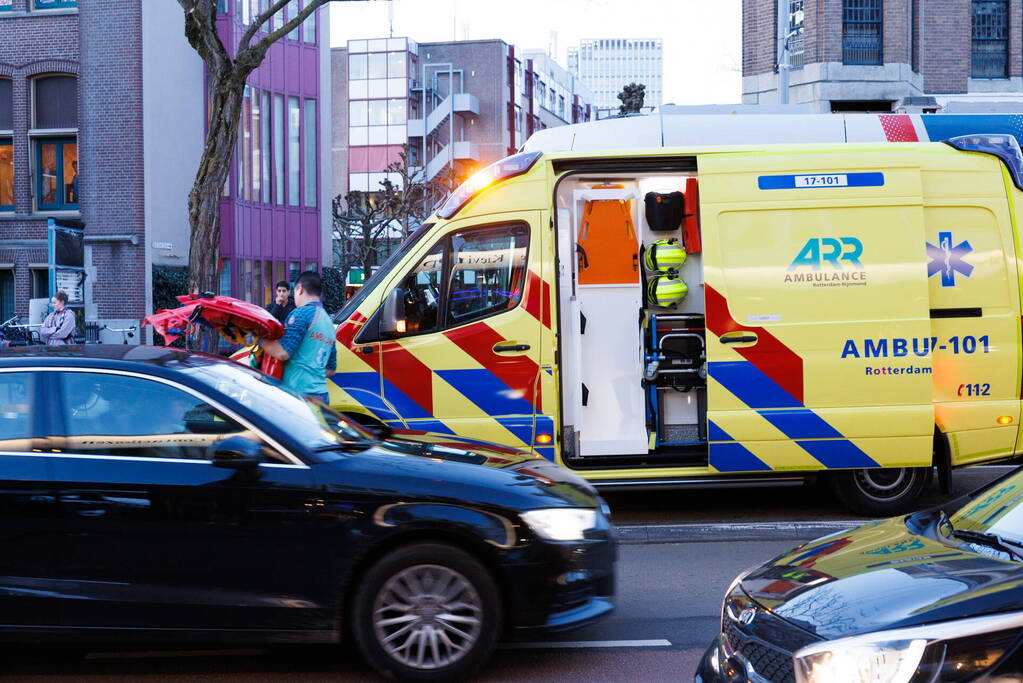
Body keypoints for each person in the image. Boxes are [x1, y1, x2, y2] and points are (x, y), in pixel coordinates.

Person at [260, 271, 336, 403]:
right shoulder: (328, 322)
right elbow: (330, 369)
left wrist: (258, 338)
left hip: (299, 394)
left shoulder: (302, 313)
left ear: (299, 289)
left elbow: (283, 353)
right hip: (322, 396)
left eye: (294, 292)